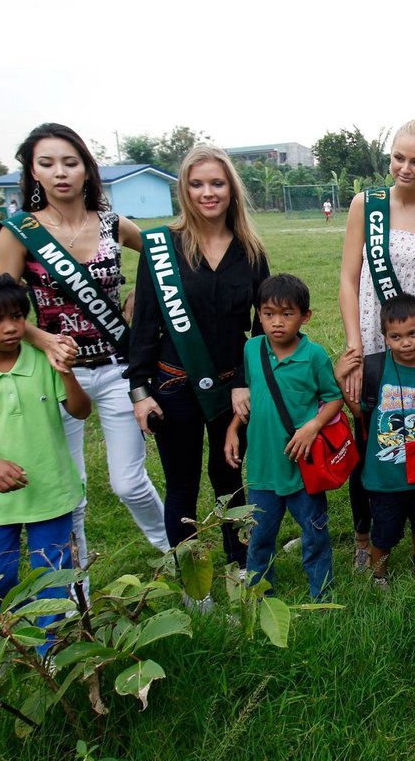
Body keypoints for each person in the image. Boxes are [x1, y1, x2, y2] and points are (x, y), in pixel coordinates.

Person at [0, 123, 169, 563]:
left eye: (70, 163)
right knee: (70, 492)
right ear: (33, 172)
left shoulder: (111, 223)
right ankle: (78, 600)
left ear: (87, 170)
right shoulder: (19, 231)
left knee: (129, 483)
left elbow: (162, 256)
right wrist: (41, 338)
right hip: (53, 373)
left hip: (117, 367)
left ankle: (177, 555)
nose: (60, 173)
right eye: (47, 163)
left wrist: (139, 295)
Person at [127, 145, 270, 574]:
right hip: (174, 387)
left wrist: (246, 380)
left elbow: (263, 324)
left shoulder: (251, 250)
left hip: (231, 388)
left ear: (231, 190)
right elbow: (145, 324)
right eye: (197, 184)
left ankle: (240, 564)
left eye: (217, 183)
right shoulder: (162, 247)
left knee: (230, 479)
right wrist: (139, 391)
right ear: (185, 191)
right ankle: (195, 582)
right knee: (183, 486)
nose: (207, 193)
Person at [337, 119, 415, 571]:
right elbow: (349, 280)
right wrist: (353, 349)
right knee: (369, 431)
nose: (404, 168)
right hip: (370, 337)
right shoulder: (365, 205)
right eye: (398, 157)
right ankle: (365, 535)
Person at [0, 272, 90, 637]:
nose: (10, 327)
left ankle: (51, 647)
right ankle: (20, 634)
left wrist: (67, 374)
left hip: (52, 492)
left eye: (16, 317)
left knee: (54, 578)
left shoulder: (42, 361)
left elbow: (81, 411)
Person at [224, 274, 342, 601]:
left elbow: (334, 398)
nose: (277, 323)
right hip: (262, 470)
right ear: (258, 315)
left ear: (305, 316)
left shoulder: (314, 355)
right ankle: (261, 598)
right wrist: (233, 429)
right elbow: (251, 399)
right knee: (259, 539)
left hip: (303, 468)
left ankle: (323, 596)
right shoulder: (251, 349)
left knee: (314, 534)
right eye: (268, 314)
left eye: (287, 314)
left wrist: (313, 426)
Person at [341, 293, 415, 587]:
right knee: (385, 530)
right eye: (396, 336)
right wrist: (339, 378)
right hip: (385, 478)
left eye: (413, 334)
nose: (406, 342)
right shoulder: (374, 370)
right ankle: (379, 575)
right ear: (384, 337)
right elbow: (358, 412)